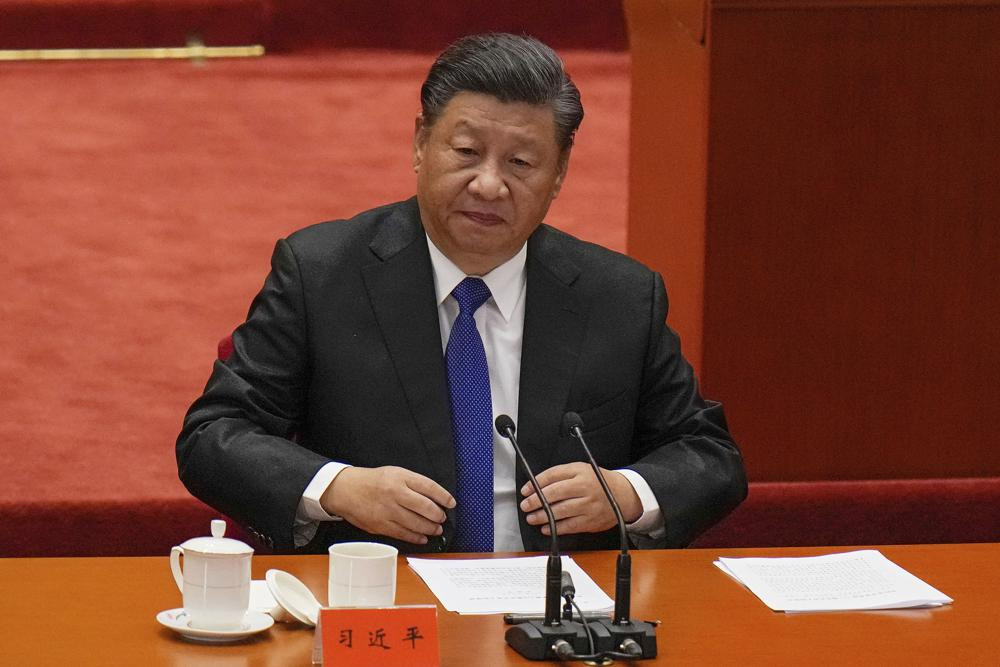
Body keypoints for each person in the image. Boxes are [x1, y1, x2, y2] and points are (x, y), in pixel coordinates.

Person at [176, 33, 746, 555]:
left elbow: (710, 456)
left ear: (560, 173)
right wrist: (339, 488)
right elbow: (213, 436)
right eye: (467, 153)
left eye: (520, 163)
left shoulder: (618, 295)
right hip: (386, 600)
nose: (489, 184)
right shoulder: (322, 273)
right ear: (422, 143)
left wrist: (624, 492)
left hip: (557, 607)